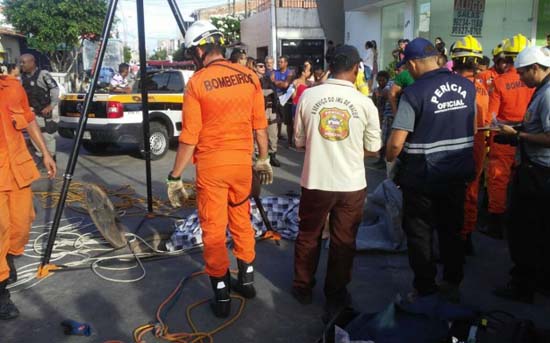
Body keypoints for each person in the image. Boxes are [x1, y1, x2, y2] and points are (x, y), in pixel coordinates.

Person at [166, 21, 272, 318]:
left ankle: (222, 297)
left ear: (199, 49)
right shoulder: (249, 76)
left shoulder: (198, 83)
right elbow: (260, 126)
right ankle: (247, 281)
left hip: (213, 169)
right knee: (241, 220)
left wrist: (174, 176)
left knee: (213, 231)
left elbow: (189, 137)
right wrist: (262, 159)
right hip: (242, 166)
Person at [292, 45, 381, 320]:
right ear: (356, 69)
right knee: (343, 241)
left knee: (309, 235)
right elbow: (374, 148)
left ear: (329, 66)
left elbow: (298, 142)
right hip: (351, 184)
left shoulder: (308, 97)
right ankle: (336, 295)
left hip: (316, 180)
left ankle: (303, 287)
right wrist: (350, 147)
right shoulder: (365, 103)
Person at [386, 38, 476, 303]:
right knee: (451, 230)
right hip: (457, 173)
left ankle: (425, 287)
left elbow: (396, 143)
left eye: (407, 66)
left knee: (419, 233)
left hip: (422, 178)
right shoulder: (467, 87)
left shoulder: (413, 93)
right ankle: (451, 282)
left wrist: (391, 159)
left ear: (413, 63)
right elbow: (470, 128)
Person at [492, 46, 550, 303]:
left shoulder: (548, 94)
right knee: (538, 230)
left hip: (538, 172)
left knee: (524, 230)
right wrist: (518, 131)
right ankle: (538, 280)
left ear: (536, 69)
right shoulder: (541, 90)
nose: (521, 78)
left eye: (523, 73)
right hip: (535, 169)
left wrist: (520, 135)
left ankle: (524, 285)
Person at [0, 70, 57, 320]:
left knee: (21, 225)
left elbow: (29, 120)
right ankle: (1, 294)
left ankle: (9, 258)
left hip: (18, 170)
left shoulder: (13, 87)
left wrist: (44, 152)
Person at [481, 34, 534, 239]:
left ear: (508, 58)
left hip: (503, 138)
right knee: (523, 180)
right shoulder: (537, 82)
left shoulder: (500, 82)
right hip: (528, 138)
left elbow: (491, 117)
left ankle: (495, 224)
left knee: (498, 180)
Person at [450, 36, 490, 254]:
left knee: (451, 191)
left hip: (455, 144)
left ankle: (455, 235)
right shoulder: (484, 87)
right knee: (472, 190)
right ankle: (466, 236)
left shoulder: (450, 86)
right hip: (478, 144)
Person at [19, 54, 59, 162]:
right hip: (31, 112)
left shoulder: (43, 75)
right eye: (20, 62)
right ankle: (42, 157)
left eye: (24, 62)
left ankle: (51, 158)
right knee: (34, 136)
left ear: (32, 62)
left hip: (44, 111)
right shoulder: (22, 77)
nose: (21, 65)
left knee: (47, 134)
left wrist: (51, 105)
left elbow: (55, 89)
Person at [256, 60, 281, 167]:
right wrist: (266, 92)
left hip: (272, 108)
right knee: (260, 133)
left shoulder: (267, 78)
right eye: (260, 66)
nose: (263, 68)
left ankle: (272, 154)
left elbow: (273, 91)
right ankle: (259, 155)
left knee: (273, 133)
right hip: (260, 109)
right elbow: (257, 93)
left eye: (264, 66)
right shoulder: (253, 79)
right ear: (255, 67)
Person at [271, 55, 294, 147]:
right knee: (277, 119)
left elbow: (285, 85)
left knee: (288, 121)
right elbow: (272, 80)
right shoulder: (274, 72)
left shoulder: (290, 73)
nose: (279, 63)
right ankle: (278, 135)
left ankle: (289, 141)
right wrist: (280, 83)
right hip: (276, 97)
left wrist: (276, 82)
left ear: (286, 63)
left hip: (286, 99)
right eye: (279, 61)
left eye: (281, 62)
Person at [372, 70, 393, 163]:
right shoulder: (376, 91)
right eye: (379, 81)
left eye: (383, 80)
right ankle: (380, 158)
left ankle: (385, 159)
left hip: (387, 117)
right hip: (379, 116)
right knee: (380, 138)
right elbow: (374, 104)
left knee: (386, 139)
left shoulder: (389, 90)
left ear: (387, 80)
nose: (380, 83)